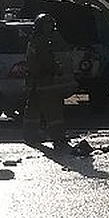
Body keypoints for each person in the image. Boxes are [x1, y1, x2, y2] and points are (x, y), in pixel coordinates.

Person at [23, 14, 68, 149]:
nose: (51, 28)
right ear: (40, 27)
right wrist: (58, 68)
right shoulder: (42, 42)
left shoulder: (33, 40)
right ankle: (58, 137)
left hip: (34, 83)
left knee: (33, 110)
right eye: (48, 25)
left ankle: (30, 136)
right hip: (45, 82)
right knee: (53, 111)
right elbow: (46, 61)